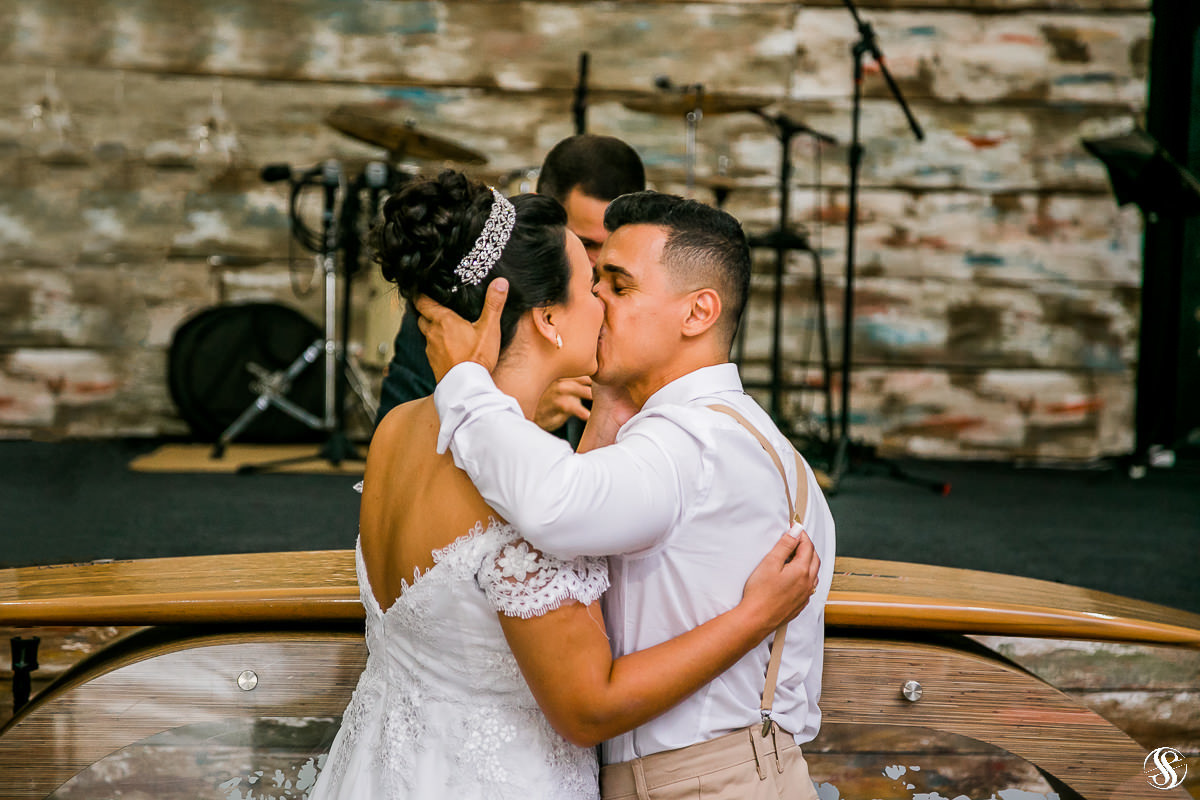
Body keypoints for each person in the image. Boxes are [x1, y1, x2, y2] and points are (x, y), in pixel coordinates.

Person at [308, 171, 821, 800]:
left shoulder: (399, 430)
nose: (604, 303)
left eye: (617, 284)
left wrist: (595, 400)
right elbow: (586, 701)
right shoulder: (514, 486)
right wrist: (755, 615)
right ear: (550, 317)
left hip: (386, 766)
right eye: (593, 285)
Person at [375, 134, 646, 436]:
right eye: (585, 243)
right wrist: (520, 416)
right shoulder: (452, 309)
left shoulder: (654, 314)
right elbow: (400, 437)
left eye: (614, 243)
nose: (600, 264)